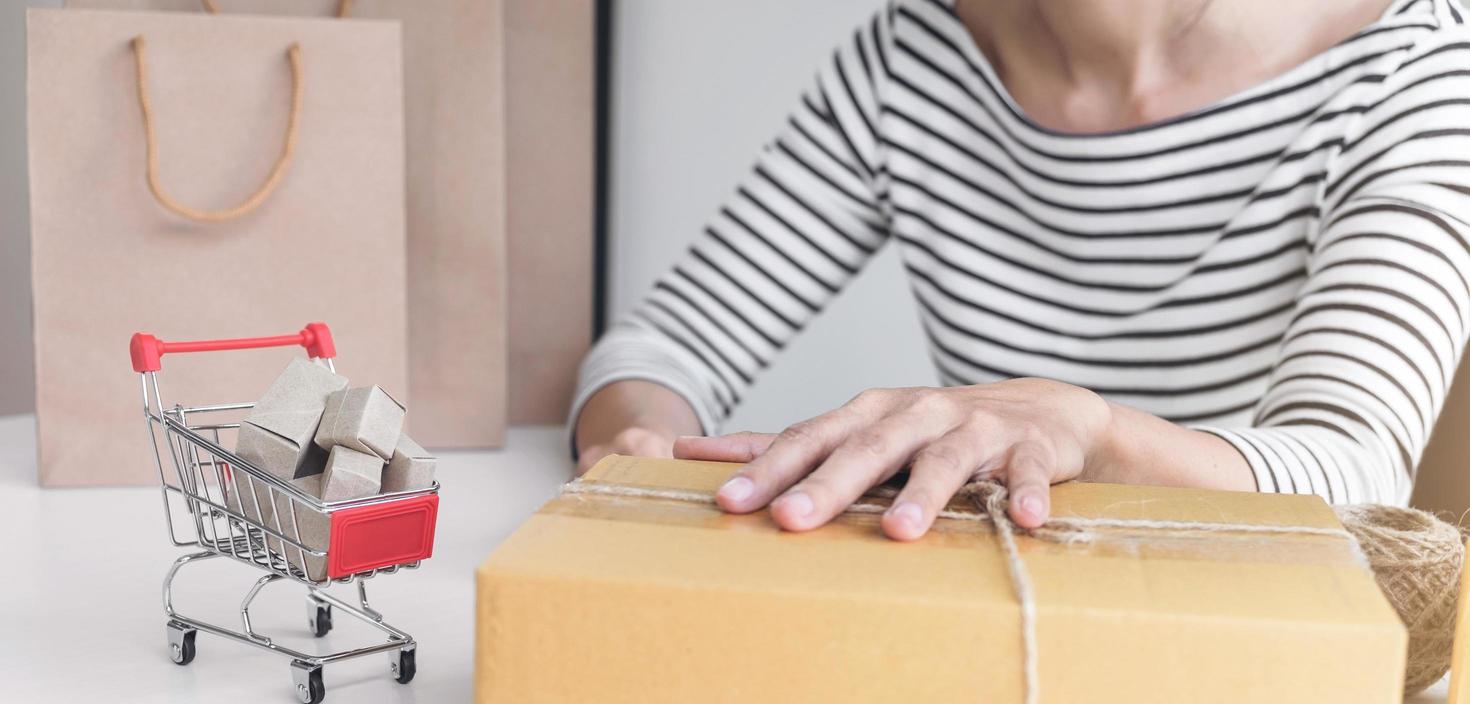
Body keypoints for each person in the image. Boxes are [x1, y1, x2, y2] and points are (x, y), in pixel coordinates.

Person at [572, 0, 1470, 539]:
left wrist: (1091, 430)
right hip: (1002, 633)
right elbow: (663, 346)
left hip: (1238, 674)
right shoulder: (915, 58)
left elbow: (1357, 480)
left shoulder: (1413, 69)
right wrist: (637, 441)